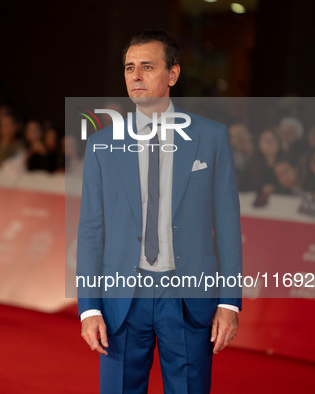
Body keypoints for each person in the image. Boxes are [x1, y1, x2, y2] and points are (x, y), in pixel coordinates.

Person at [77, 30, 242, 394]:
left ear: (172, 74)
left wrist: (230, 301)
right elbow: (91, 230)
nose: (135, 76)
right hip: (122, 299)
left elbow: (227, 226)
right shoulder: (102, 144)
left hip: (187, 299)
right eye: (129, 68)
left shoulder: (211, 138)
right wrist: (89, 308)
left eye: (147, 67)